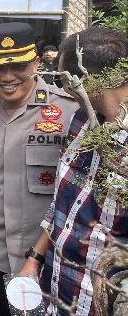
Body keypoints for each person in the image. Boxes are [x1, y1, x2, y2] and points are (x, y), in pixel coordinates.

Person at [0, 22, 79, 316]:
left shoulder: (68, 112)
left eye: (19, 66)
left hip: (50, 261)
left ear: (36, 63)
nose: (8, 77)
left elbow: (75, 197)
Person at [18, 27, 127, 315]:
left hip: (105, 300)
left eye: (64, 78)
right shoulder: (80, 120)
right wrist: (35, 258)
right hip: (59, 288)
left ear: (81, 79)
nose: (64, 88)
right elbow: (62, 203)